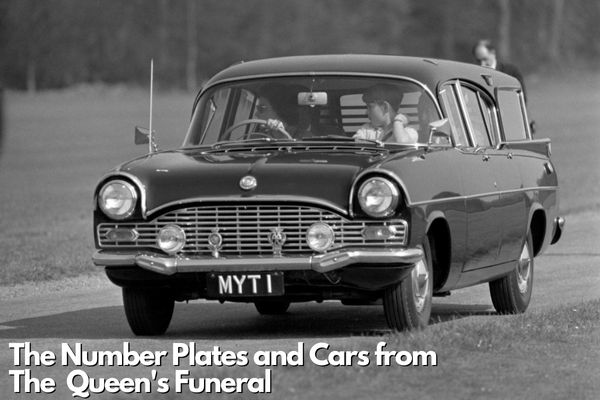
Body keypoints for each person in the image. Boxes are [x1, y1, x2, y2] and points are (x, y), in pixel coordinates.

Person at [354, 84, 418, 144]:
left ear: (385, 107)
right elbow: (356, 145)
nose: (366, 112)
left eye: (370, 107)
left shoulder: (407, 131)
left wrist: (398, 121)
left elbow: (403, 142)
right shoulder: (366, 130)